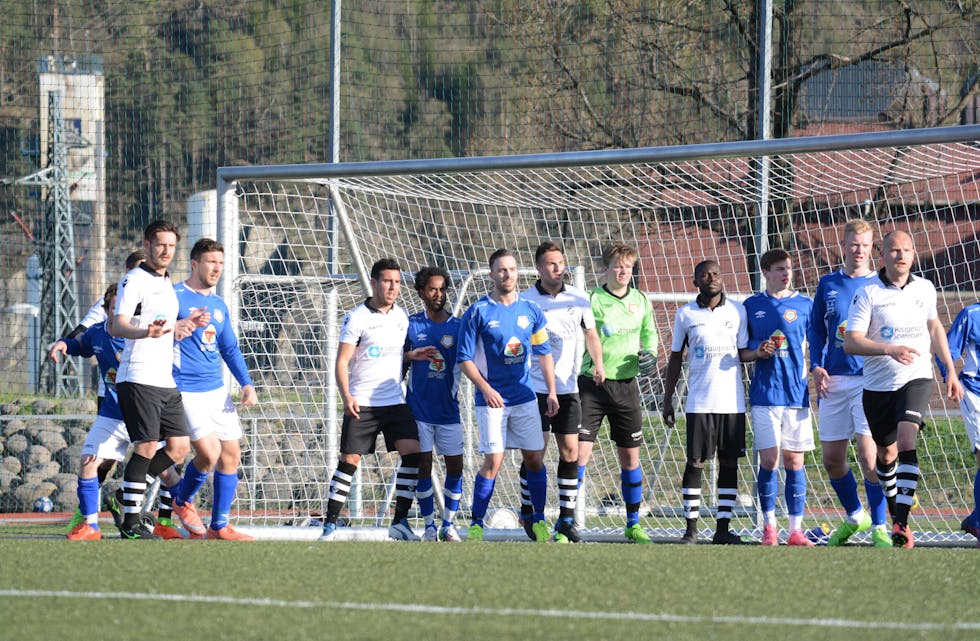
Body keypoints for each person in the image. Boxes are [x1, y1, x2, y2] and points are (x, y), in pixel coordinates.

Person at [844, 229, 963, 548]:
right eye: (894, 250)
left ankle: (901, 523)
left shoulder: (924, 288)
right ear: (882, 255)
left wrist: (950, 370)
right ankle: (897, 513)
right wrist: (888, 349)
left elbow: (934, 326)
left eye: (907, 250)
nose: (901, 256)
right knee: (885, 454)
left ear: (913, 254)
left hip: (916, 377)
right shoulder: (868, 293)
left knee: (907, 438)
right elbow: (850, 341)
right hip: (878, 386)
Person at [110, 220, 208, 540]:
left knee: (179, 448)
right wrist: (144, 332)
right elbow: (117, 326)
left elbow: (164, 325)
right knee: (148, 446)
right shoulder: (133, 280)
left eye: (171, 245)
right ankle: (130, 522)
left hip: (164, 379)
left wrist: (182, 324)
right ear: (148, 245)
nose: (166, 251)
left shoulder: (167, 283)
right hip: (137, 376)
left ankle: (127, 497)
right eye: (160, 244)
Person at [457, 248, 558, 542]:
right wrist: (486, 389)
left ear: (518, 272)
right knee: (494, 461)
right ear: (492, 275)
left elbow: (543, 352)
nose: (507, 275)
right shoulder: (478, 312)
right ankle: (476, 524)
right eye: (501, 270)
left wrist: (551, 391)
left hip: (525, 398)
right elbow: (464, 358)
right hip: (491, 402)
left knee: (535, 459)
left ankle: (538, 520)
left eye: (512, 269)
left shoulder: (531, 310)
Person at [663, 259, 766, 544]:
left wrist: (759, 354)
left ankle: (723, 529)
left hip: (732, 403)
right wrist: (668, 398)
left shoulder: (738, 311)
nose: (712, 278)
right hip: (699, 402)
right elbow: (675, 358)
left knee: (729, 463)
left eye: (716, 274)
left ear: (723, 279)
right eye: (705, 275)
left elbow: (743, 351)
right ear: (695, 281)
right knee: (695, 462)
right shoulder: (685, 315)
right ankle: (691, 530)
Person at [319, 258, 422, 541]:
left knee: (413, 453)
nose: (393, 287)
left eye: (397, 282)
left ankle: (399, 522)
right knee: (349, 461)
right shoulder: (357, 317)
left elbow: (392, 355)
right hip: (362, 401)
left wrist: (410, 356)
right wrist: (347, 396)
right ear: (374, 283)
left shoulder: (401, 317)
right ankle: (329, 525)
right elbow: (342, 362)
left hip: (394, 401)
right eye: (388, 281)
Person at [165, 238, 258, 541]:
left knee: (231, 453)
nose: (217, 267)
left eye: (220, 262)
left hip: (216, 391)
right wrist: (176, 329)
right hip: (183, 389)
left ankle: (219, 526)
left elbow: (229, 349)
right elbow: (154, 335)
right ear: (194, 264)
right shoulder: (174, 296)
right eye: (211, 262)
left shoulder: (218, 305)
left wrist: (246, 384)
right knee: (208, 454)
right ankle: (181, 500)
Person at [808, 219, 891, 547]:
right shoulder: (827, 284)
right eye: (854, 244)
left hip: (869, 379)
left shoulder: (881, 286)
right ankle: (857, 516)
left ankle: (880, 527)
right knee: (832, 459)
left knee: (870, 457)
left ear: (873, 249)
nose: (859, 250)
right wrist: (815, 365)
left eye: (865, 245)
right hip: (833, 380)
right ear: (844, 246)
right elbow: (815, 329)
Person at [520, 241, 605, 543]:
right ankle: (529, 510)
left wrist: (598, 363)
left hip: (568, 388)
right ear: (540, 268)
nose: (558, 268)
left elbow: (591, 333)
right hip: (534, 388)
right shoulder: (526, 300)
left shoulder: (579, 298)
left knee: (571, 451)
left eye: (561, 262)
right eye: (551, 263)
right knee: (535, 454)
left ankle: (566, 519)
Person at [576, 242, 658, 544]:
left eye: (628, 266)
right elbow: (587, 334)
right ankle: (567, 522)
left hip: (626, 386)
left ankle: (633, 523)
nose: (623, 271)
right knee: (579, 454)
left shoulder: (641, 300)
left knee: (630, 458)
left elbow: (650, 333)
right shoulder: (593, 300)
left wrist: (649, 353)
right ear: (606, 269)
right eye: (617, 266)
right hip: (592, 385)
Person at [743, 249, 816, 546]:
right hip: (765, 394)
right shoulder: (751, 306)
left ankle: (795, 530)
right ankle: (769, 527)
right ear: (765, 272)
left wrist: (819, 371)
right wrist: (757, 352)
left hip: (796, 394)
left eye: (788, 268)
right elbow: (742, 352)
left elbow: (817, 345)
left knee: (795, 461)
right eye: (778, 269)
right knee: (770, 460)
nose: (786, 273)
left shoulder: (805, 305)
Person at [403, 266, 465, 542]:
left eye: (442, 289)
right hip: (418, 410)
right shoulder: (411, 325)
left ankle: (448, 524)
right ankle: (428, 525)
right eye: (432, 289)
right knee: (423, 466)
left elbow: (470, 361)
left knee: (456, 467)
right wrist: (411, 356)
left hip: (449, 411)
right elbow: (398, 361)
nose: (438, 294)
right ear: (421, 293)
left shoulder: (458, 327)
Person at [938, 302, 980, 546]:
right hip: (974, 392)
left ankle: (975, 518)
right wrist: (949, 376)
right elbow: (946, 349)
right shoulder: (972, 314)